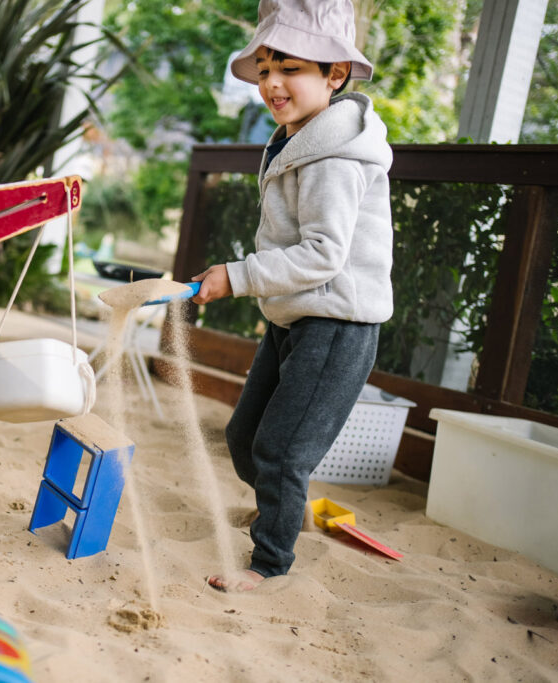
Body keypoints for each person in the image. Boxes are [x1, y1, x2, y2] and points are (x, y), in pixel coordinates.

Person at [192, 0, 393, 592]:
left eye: (293, 69)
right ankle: (281, 513)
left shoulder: (334, 154)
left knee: (281, 450)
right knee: (242, 438)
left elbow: (326, 254)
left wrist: (238, 275)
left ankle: (269, 564)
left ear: (335, 75)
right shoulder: (295, 138)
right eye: (265, 69)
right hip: (296, 317)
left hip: (337, 324)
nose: (274, 83)